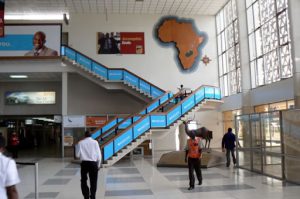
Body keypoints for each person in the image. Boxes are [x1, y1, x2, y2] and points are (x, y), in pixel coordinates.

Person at [75, 130, 102, 199]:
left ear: (85, 135)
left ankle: (86, 196)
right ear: (91, 135)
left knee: (83, 180)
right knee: (93, 181)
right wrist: (98, 165)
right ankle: (93, 196)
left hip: (84, 163)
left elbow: (77, 155)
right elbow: (99, 155)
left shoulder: (80, 143)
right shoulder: (95, 142)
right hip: (93, 164)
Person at [183, 121, 203, 190]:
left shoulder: (199, 140)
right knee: (190, 172)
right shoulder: (188, 141)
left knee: (198, 171)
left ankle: (200, 180)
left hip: (197, 159)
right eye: (190, 135)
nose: (191, 136)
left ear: (195, 135)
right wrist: (185, 158)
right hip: (190, 159)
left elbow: (200, 149)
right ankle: (191, 185)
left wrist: (200, 156)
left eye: (192, 135)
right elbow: (187, 149)